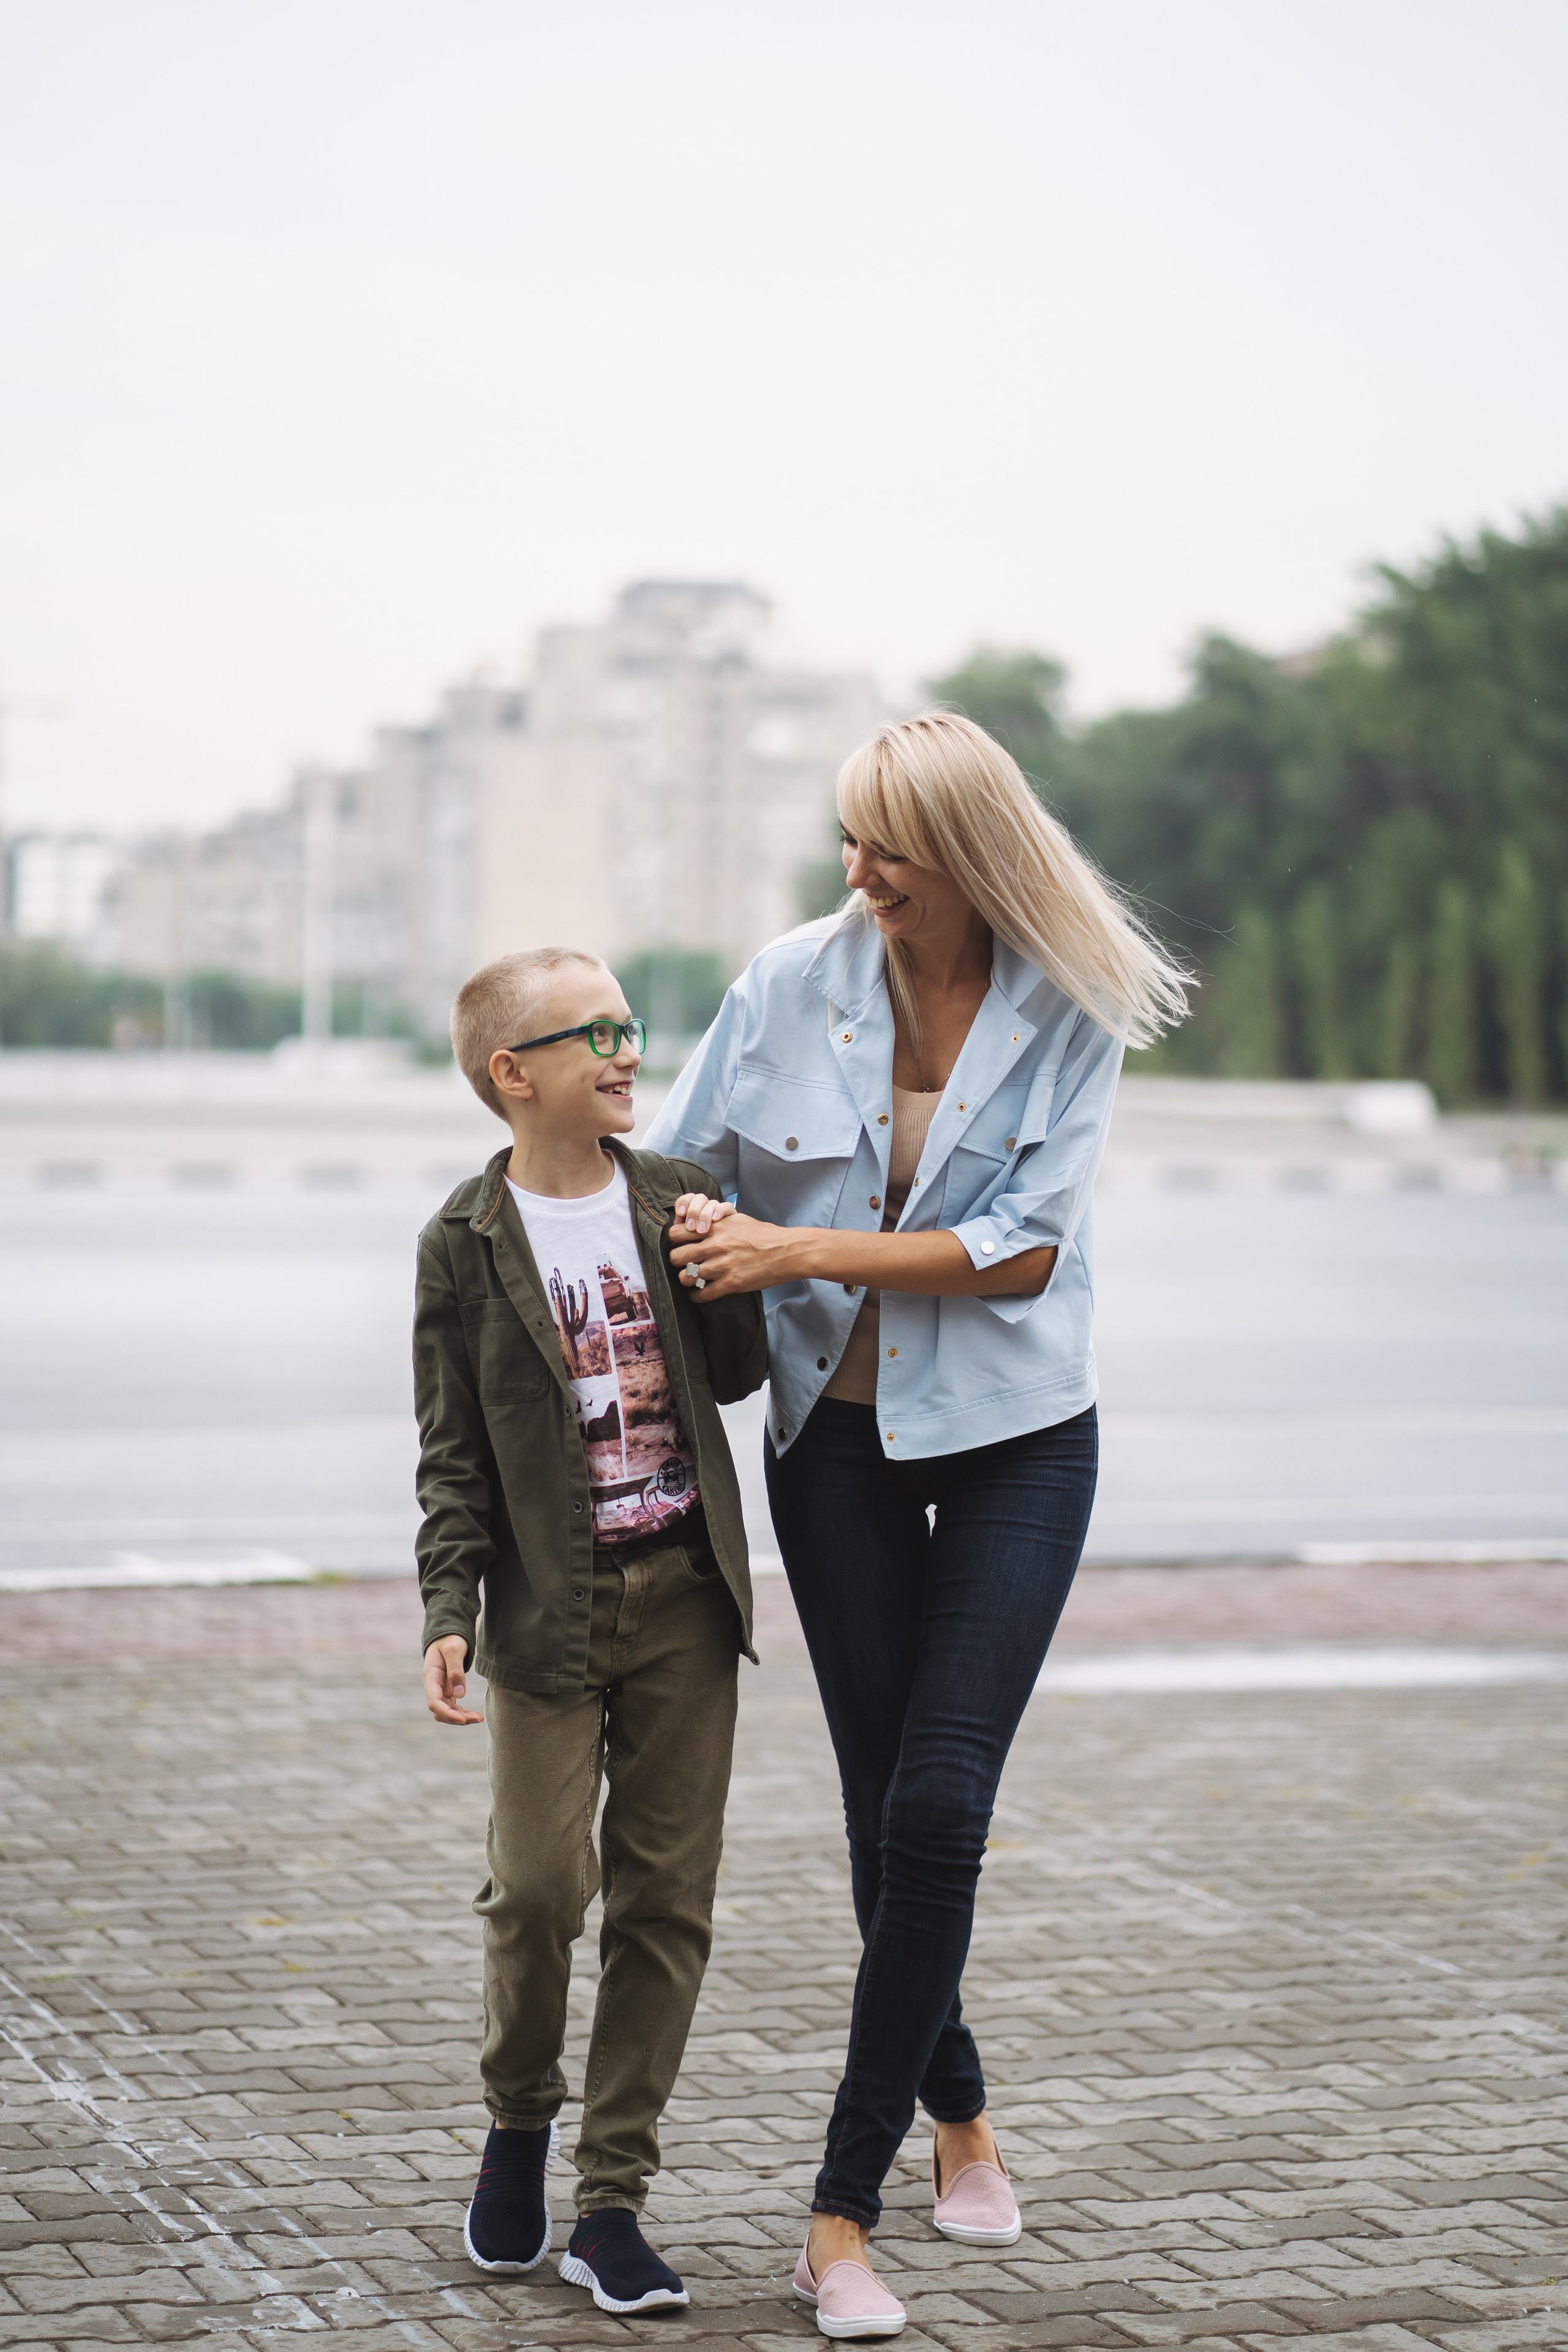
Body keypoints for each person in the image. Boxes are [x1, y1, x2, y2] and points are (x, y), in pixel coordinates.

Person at [646, 711, 1186, 2339]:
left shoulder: (1069, 1002)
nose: (861, 871)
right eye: (850, 840)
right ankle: (962, 2112)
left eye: (892, 845)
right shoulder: (782, 988)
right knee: (890, 1810)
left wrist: (790, 1252)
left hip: (1024, 1438)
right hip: (838, 1444)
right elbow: (678, 1182)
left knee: (942, 1806)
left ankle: (836, 2217)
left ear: (970, 852)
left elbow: (1020, 1252)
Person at [415, 946, 767, 2315]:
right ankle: (517, 2125)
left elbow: (730, 1382)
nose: (626, 1051)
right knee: (539, 1891)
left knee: (666, 1902)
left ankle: (611, 2201)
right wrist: (449, 1608)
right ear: (514, 1074)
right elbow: (452, 1455)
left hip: (685, 1592)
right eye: (592, 1033)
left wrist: (728, 1273)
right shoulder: (463, 1239)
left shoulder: (675, 1197)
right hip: (546, 1610)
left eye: (629, 1027)